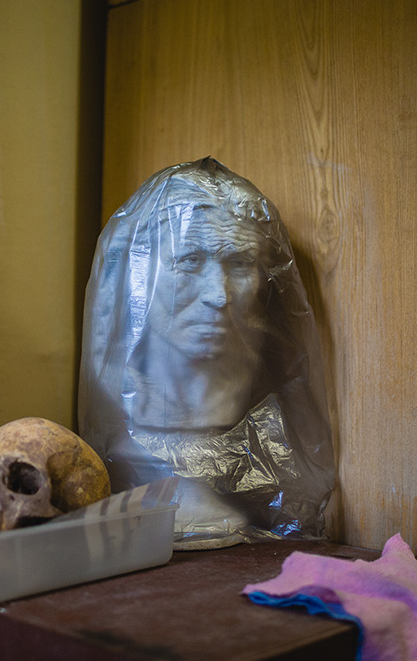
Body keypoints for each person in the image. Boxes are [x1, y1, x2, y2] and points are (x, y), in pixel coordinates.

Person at [79, 158, 334, 548]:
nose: (219, 295)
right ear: (137, 271)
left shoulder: (252, 378)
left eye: (240, 263)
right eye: (190, 261)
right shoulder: (120, 380)